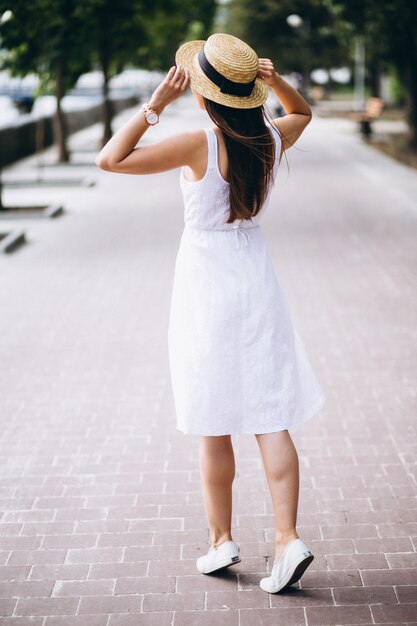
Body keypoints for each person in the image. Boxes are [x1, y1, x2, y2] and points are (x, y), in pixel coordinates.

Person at [95, 32, 326, 594]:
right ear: (246, 93)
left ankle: (221, 542)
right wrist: (273, 83)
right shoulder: (268, 136)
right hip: (257, 279)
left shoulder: (197, 141)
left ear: (202, 95)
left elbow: (110, 159)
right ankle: (286, 539)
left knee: (212, 417)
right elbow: (305, 114)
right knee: (270, 413)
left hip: (206, 287)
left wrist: (155, 104)